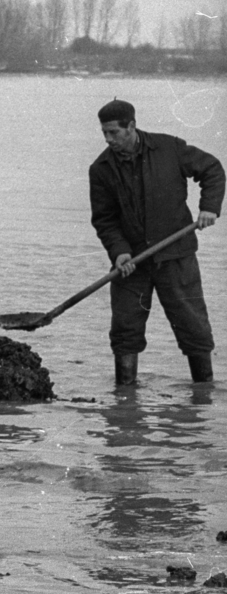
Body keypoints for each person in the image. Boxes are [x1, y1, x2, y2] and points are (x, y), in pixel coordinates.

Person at [88, 98, 222, 385]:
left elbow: (212, 169)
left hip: (176, 255)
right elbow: (105, 220)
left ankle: (204, 392)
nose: (109, 139)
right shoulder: (100, 169)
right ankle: (125, 400)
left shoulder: (169, 149)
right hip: (131, 264)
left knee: (193, 326)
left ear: (132, 126)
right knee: (125, 331)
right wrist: (120, 252)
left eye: (114, 132)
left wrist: (209, 206)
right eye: (105, 133)